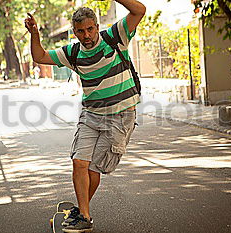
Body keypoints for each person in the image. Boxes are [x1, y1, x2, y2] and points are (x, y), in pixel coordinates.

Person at [25, 0, 146, 232]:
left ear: (96, 26)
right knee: (79, 162)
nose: (87, 35)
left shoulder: (115, 36)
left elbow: (139, 10)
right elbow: (39, 56)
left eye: (90, 29)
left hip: (120, 116)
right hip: (91, 114)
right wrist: (34, 33)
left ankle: (80, 212)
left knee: (93, 170)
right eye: (81, 31)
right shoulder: (72, 52)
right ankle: (84, 218)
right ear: (75, 32)